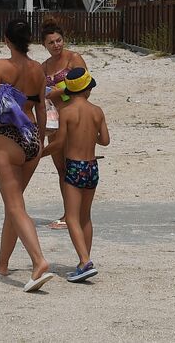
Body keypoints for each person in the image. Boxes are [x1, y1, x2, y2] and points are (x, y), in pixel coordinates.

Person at [0, 18, 53, 292]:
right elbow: (41, 109)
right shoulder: (38, 71)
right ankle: (2, 263)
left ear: (6, 39)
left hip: (6, 136)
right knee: (14, 204)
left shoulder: (1, 66)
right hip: (31, 137)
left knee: (16, 206)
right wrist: (41, 141)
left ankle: (39, 261)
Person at [44, 67, 110, 282]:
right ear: (88, 90)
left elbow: (60, 143)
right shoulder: (97, 111)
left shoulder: (67, 112)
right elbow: (105, 141)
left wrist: (40, 154)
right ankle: (85, 259)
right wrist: (91, 137)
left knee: (71, 217)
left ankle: (84, 261)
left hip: (74, 167)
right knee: (85, 217)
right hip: (92, 167)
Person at [41, 18, 86, 230]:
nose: (56, 45)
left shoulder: (73, 58)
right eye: (51, 43)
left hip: (73, 116)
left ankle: (74, 214)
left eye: (59, 40)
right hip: (53, 119)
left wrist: (59, 91)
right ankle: (68, 212)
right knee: (61, 168)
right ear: (44, 45)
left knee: (74, 166)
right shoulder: (44, 66)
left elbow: (85, 85)